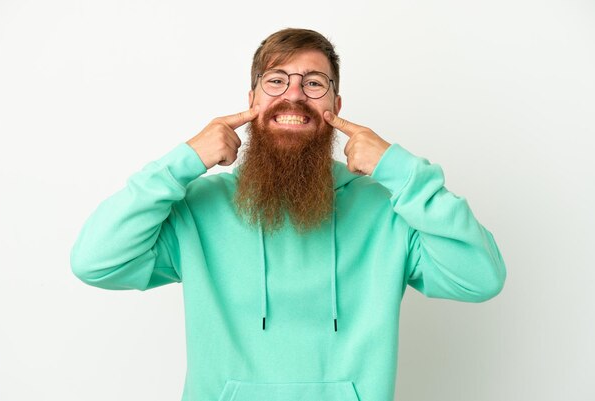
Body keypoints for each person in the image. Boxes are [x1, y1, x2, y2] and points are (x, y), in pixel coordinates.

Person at [71, 28, 506, 401]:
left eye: (313, 83)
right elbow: (95, 262)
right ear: (252, 99)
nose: (294, 95)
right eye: (276, 81)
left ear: (335, 103)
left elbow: (480, 278)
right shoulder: (199, 208)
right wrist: (183, 161)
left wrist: (401, 171)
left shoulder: (387, 207)